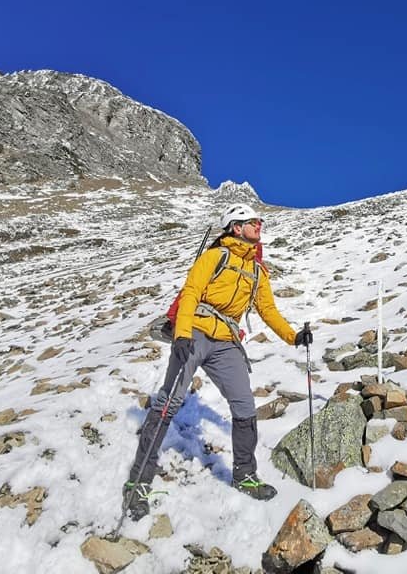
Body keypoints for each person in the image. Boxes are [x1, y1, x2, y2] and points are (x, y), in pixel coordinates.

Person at [123, 203, 312, 519]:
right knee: (168, 402)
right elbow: (191, 292)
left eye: (259, 221)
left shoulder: (256, 271)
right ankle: (138, 484)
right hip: (195, 331)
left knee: (245, 407)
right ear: (236, 227)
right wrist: (182, 334)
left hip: (226, 342)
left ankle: (245, 475)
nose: (259, 225)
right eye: (253, 221)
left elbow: (268, 311)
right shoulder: (214, 257)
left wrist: (293, 337)